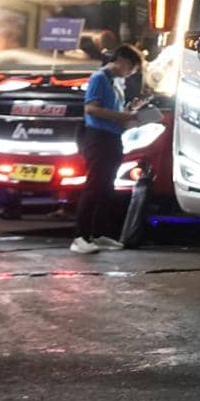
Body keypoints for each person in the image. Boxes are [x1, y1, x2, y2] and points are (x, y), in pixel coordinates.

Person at [71, 45, 143, 254]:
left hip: (112, 137)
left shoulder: (115, 83)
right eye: (131, 68)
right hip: (98, 137)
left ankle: (99, 234)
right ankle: (80, 237)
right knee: (94, 186)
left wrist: (130, 110)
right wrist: (123, 116)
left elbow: (111, 110)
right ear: (122, 60)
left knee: (106, 187)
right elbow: (91, 108)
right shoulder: (99, 78)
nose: (130, 73)